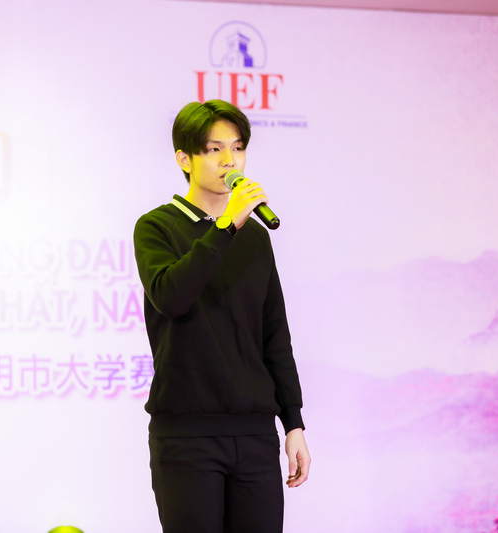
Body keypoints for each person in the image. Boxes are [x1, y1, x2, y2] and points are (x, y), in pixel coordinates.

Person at [133, 99, 311, 533]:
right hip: (187, 436)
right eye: (214, 149)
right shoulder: (156, 227)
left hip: (254, 435)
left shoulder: (255, 238)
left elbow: (274, 333)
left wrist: (293, 422)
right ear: (184, 159)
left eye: (237, 148)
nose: (229, 160)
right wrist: (224, 227)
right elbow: (171, 296)